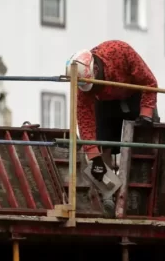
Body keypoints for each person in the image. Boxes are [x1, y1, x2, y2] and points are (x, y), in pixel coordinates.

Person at [65, 40, 159, 183]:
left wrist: (146, 113)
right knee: (104, 145)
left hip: (135, 94)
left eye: (93, 86)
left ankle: (140, 185)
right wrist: (94, 157)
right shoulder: (82, 82)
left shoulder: (120, 51)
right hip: (105, 102)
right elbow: (85, 119)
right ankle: (108, 195)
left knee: (145, 140)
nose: (91, 89)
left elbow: (149, 82)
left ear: (96, 70)